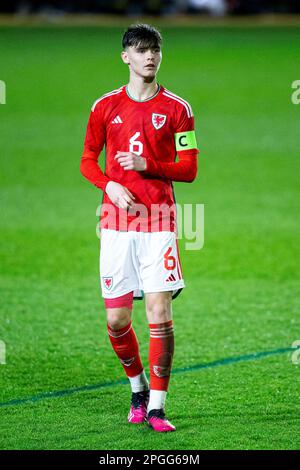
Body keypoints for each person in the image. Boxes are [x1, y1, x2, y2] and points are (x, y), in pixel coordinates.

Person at [80, 23, 199, 432]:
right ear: (125, 56)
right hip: (114, 225)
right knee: (116, 321)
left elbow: (190, 170)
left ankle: (158, 408)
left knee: (158, 311)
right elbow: (87, 160)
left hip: (159, 222)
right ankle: (138, 388)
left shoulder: (179, 109)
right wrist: (108, 184)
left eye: (155, 51)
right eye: (140, 50)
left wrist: (149, 165)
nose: (149, 57)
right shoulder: (104, 107)